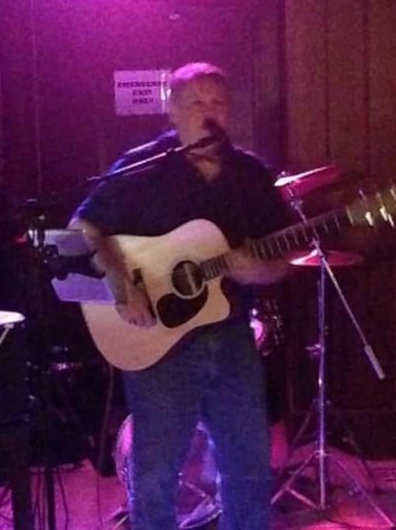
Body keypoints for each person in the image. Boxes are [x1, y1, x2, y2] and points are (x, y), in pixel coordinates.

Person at [70, 62, 290, 530]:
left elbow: (283, 256)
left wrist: (261, 270)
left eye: (218, 103)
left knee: (249, 469)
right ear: (171, 110)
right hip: (160, 346)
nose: (210, 113)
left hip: (233, 339)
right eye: (197, 102)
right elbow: (85, 228)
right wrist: (121, 286)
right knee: (155, 477)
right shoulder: (143, 166)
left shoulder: (250, 174)